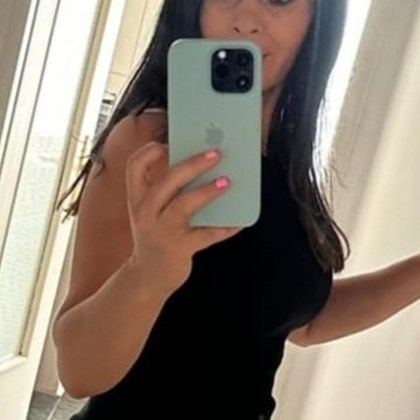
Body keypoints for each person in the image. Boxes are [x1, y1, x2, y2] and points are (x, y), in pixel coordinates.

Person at [53, 0, 350, 418]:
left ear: (321, 16)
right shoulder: (150, 142)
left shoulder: (285, 164)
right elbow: (79, 371)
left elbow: (302, 322)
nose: (245, 21)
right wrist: (150, 270)